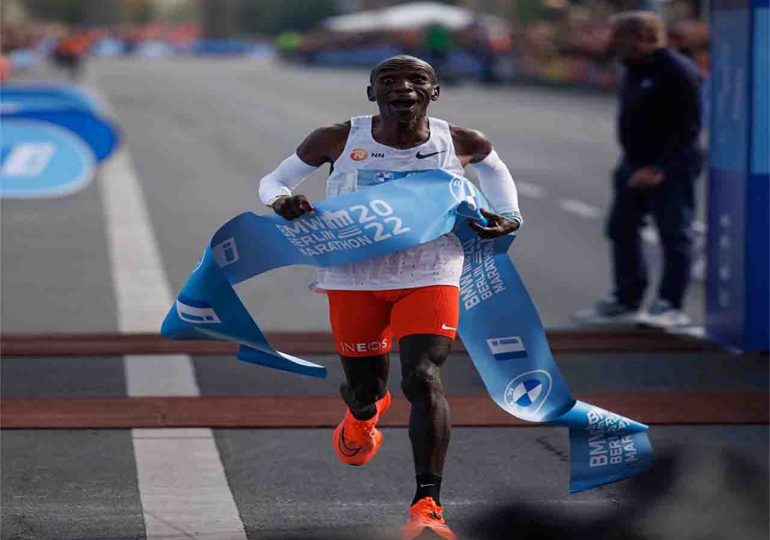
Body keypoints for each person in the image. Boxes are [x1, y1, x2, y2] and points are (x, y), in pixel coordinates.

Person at [258, 55, 522, 539]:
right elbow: (274, 181)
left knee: (423, 377)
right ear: (372, 92)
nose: (403, 87)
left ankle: (428, 500)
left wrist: (508, 214)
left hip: (432, 269)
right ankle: (362, 414)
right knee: (368, 390)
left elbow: (495, 170)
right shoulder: (337, 138)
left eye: (416, 79)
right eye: (389, 81)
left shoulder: (462, 141)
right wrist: (282, 201)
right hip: (353, 274)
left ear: (434, 92)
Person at [573, 11, 703, 328]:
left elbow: (689, 127)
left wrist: (661, 166)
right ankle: (625, 300)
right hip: (633, 163)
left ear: (644, 38)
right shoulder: (633, 67)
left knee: (673, 233)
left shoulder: (677, 71)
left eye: (620, 37)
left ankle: (669, 304)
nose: (613, 43)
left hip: (670, 165)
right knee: (621, 227)